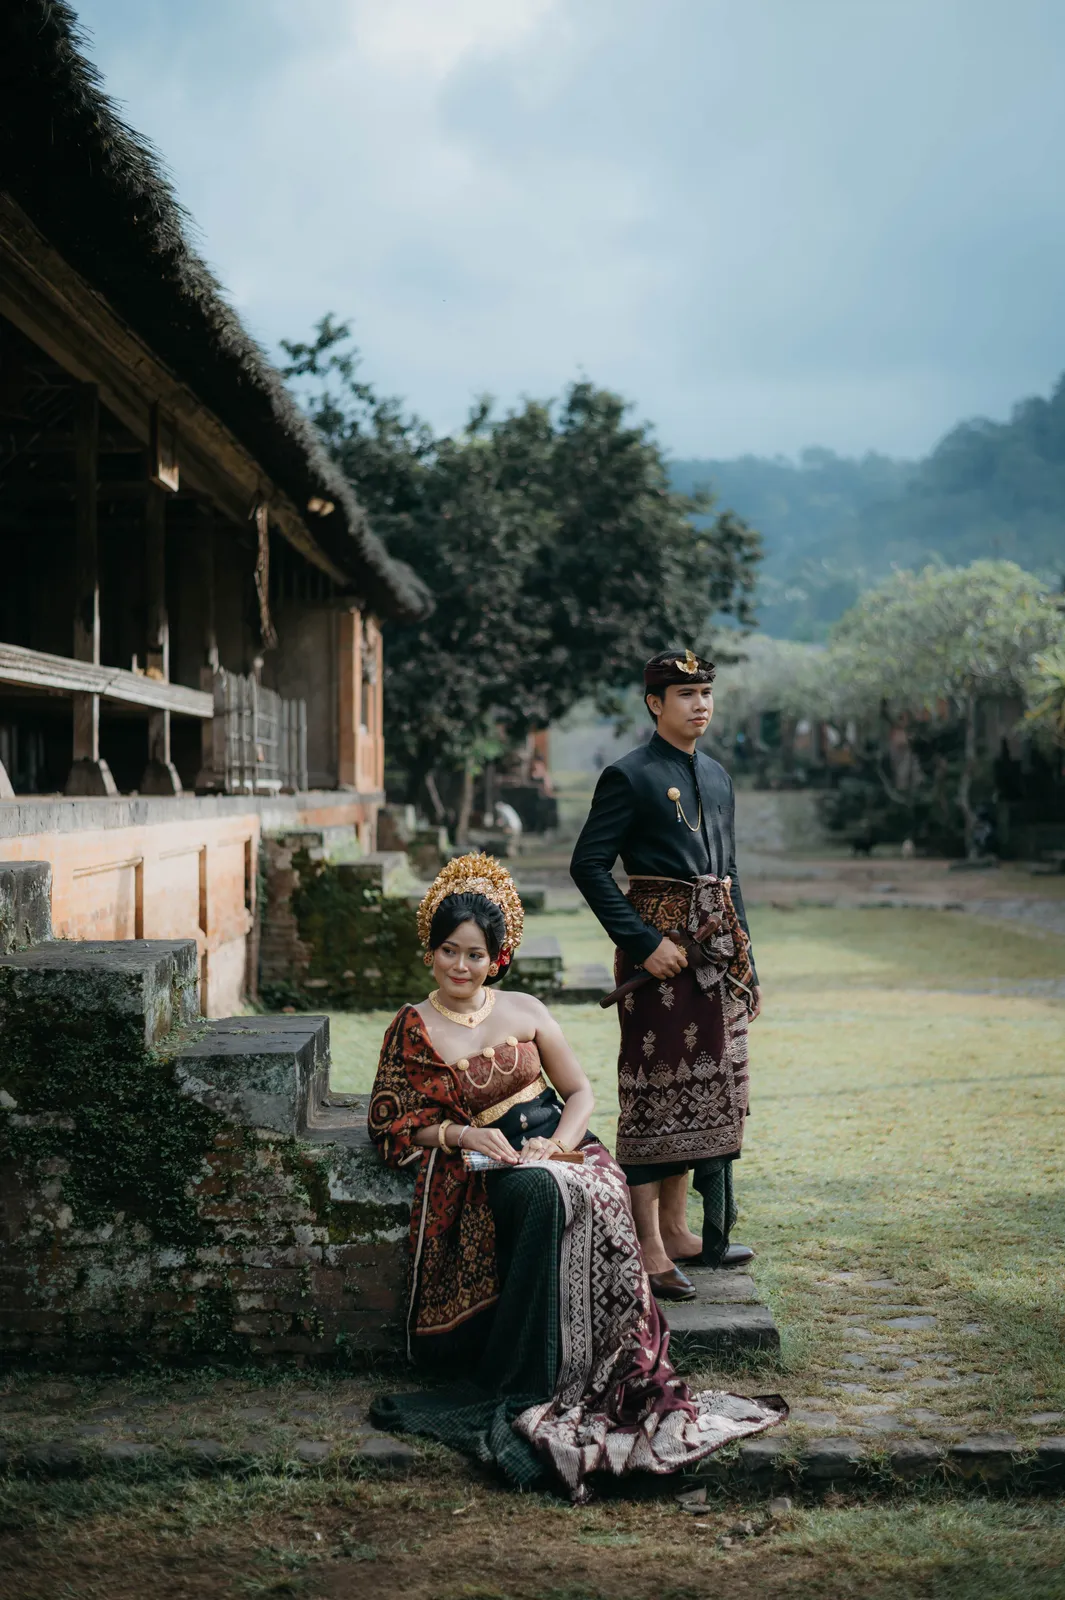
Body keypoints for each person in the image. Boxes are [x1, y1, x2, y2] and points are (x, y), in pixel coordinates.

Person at [368, 852, 784, 1502]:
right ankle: (537, 1378)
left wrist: (560, 1145)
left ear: (496, 959)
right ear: (430, 952)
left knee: (591, 1184)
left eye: (475, 955)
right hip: (496, 1168)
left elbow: (581, 1092)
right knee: (545, 1191)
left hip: (563, 1146)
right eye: (449, 951)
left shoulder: (525, 1008)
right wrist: (460, 1135)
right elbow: (392, 1122)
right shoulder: (412, 1028)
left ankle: (606, 1364)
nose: (460, 966)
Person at [570, 648, 761, 1302]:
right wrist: (644, 942)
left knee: (705, 1094)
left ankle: (679, 1231)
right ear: (655, 703)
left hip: (715, 958)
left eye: (705, 692)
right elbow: (588, 866)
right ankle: (647, 1245)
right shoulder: (627, 776)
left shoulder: (717, 775)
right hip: (658, 960)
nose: (699, 704)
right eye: (685, 694)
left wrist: (747, 964)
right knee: (656, 1096)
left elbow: (729, 876)